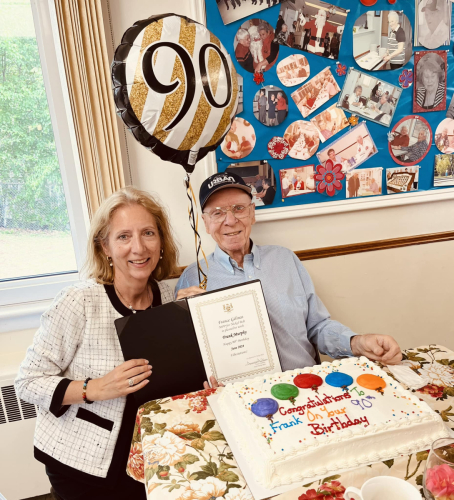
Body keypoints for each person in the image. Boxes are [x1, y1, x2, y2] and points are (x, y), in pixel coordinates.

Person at [14, 187, 179, 500]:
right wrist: (94, 388)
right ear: (104, 246)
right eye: (123, 236)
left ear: (160, 242)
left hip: (150, 458)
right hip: (82, 462)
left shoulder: (168, 298)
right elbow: (27, 382)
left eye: (148, 233)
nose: (139, 247)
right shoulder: (79, 301)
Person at [175, 172, 403, 387]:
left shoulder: (285, 259)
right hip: (240, 398)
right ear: (205, 222)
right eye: (218, 212)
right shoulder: (192, 279)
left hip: (307, 386)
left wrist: (357, 343)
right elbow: (188, 358)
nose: (230, 220)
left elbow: (318, 326)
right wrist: (180, 319)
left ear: (252, 213)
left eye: (238, 208)